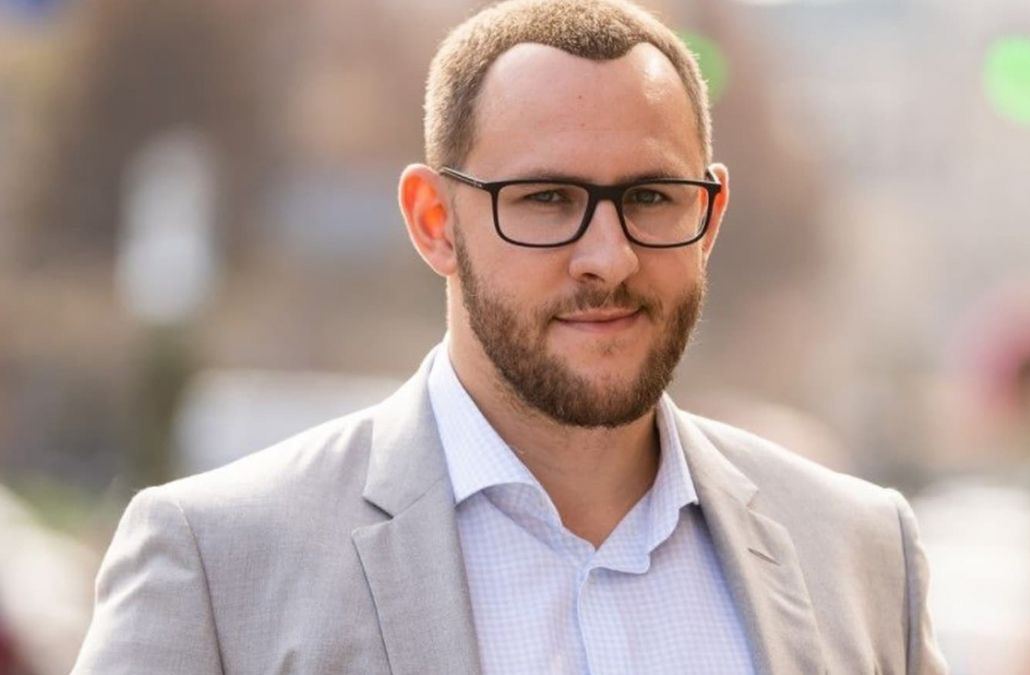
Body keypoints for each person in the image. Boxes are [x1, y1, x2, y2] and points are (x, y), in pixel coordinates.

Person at [73, 0, 948, 673]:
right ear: (434, 221)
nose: (607, 257)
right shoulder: (218, 563)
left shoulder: (862, 556)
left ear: (710, 216)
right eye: (546, 199)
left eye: (650, 197)